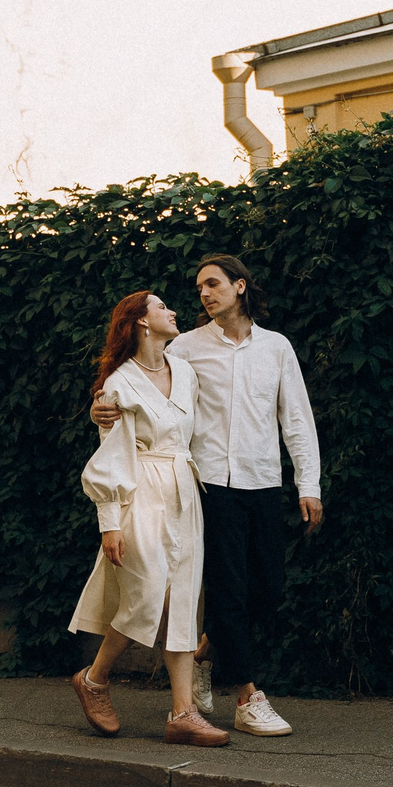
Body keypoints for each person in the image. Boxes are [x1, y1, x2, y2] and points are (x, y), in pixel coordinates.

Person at [95, 252, 318, 738]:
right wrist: (103, 407)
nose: (204, 294)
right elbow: (140, 375)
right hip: (208, 485)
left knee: (269, 589)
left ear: (240, 287)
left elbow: (296, 419)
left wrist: (310, 484)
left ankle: (203, 652)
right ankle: (246, 697)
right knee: (228, 593)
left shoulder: (277, 348)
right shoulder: (187, 348)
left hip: (262, 480)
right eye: (199, 288)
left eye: (213, 284)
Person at [68, 289, 230, 747]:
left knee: (182, 599)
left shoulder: (185, 371)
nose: (173, 310)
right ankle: (94, 679)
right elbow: (111, 456)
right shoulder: (119, 383)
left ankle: (183, 713)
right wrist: (109, 521)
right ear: (140, 322)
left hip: (184, 489)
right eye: (162, 306)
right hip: (140, 491)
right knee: (147, 593)